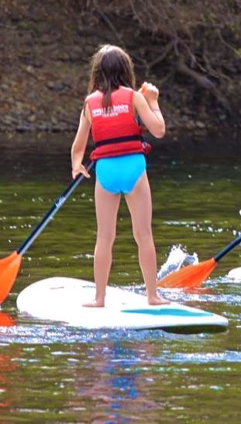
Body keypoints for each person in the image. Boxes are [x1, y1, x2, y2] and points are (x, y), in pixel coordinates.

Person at [70, 44, 170, 307]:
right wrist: (153, 102)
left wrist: (76, 165)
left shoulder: (89, 103)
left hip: (105, 173)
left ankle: (99, 298)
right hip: (134, 170)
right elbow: (158, 130)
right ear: (126, 70)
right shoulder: (134, 97)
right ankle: (152, 295)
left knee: (104, 237)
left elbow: (78, 146)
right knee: (143, 235)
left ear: (97, 73)